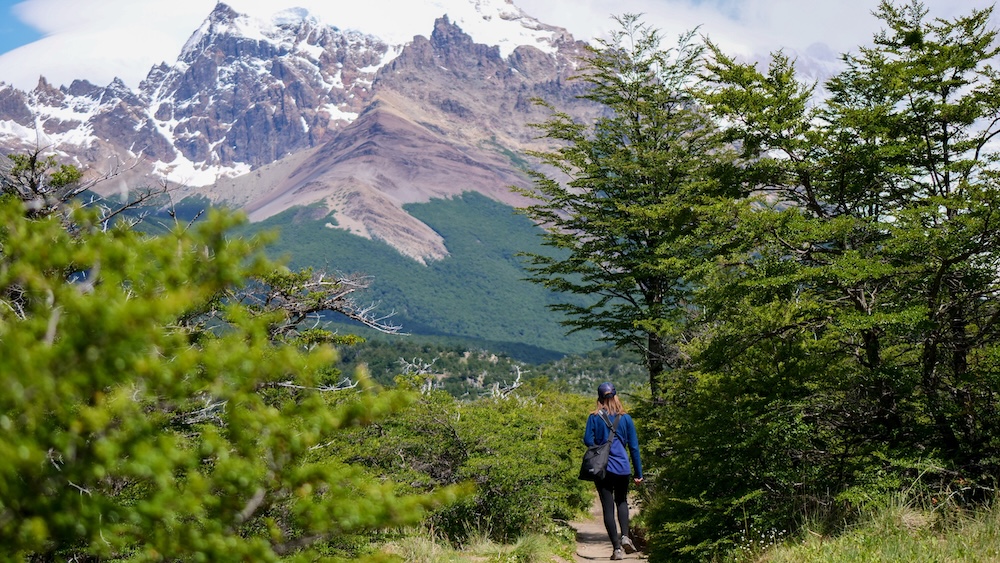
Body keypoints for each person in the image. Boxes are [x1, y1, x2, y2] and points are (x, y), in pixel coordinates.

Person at [584, 381, 643, 560]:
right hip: (623, 467)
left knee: (607, 507)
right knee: (622, 502)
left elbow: (587, 440)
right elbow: (634, 447)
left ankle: (617, 549)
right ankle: (625, 535)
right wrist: (638, 473)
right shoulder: (625, 418)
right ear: (615, 396)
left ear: (600, 398)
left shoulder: (594, 417)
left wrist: (600, 447)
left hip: (602, 468)